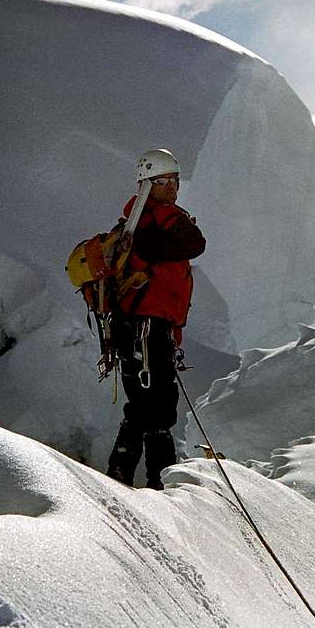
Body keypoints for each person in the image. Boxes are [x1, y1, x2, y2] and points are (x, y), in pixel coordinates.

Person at [106, 149, 205, 489]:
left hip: (144, 325)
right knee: (155, 404)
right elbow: (195, 243)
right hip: (146, 324)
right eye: (166, 181)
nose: (174, 188)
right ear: (151, 184)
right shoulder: (151, 221)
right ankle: (152, 480)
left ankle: (131, 475)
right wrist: (175, 221)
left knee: (150, 402)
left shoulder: (139, 224)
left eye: (175, 181)